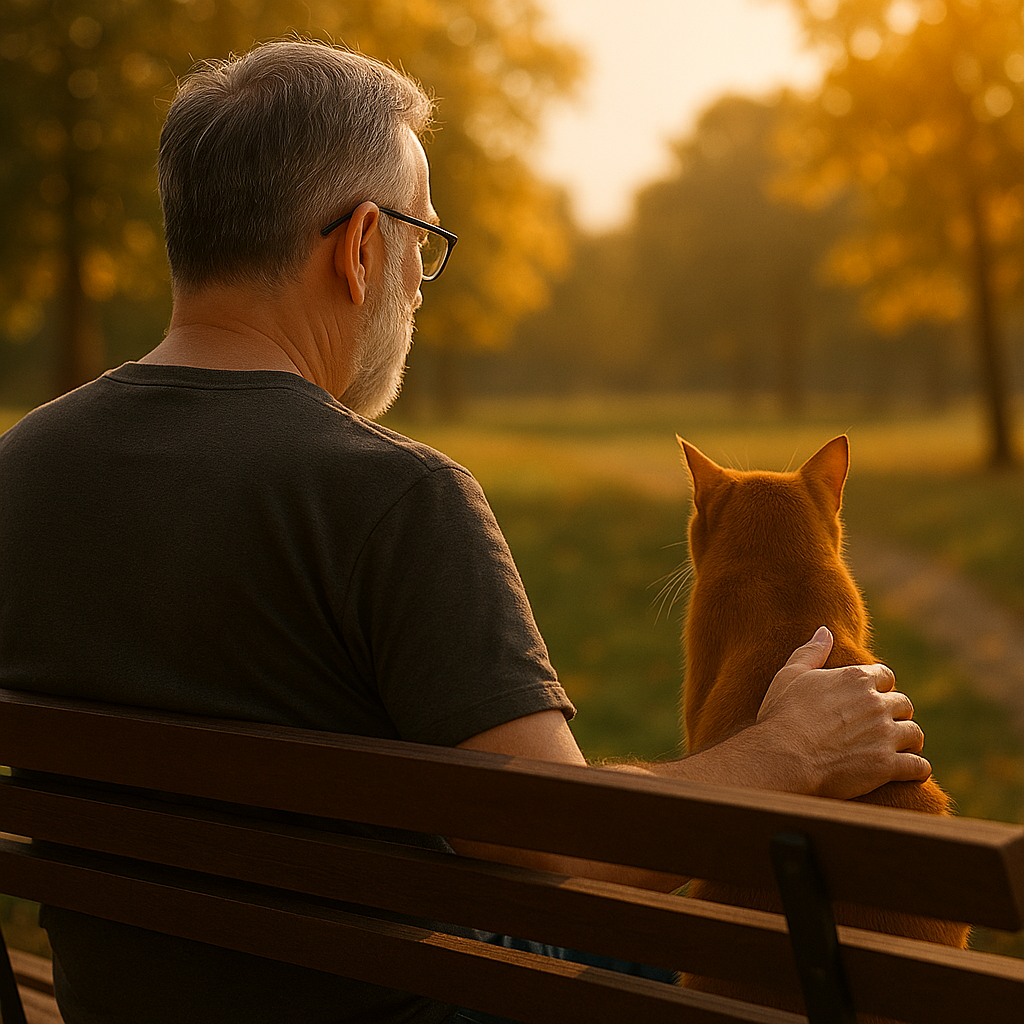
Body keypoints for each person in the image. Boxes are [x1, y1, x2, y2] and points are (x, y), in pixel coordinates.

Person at [0, 39, 930, 1024]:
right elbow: (573, 855)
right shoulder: (395, 497)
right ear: (359, 247)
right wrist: (791, 745)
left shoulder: (25, 467)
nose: (417, 285)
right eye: (421, 243)